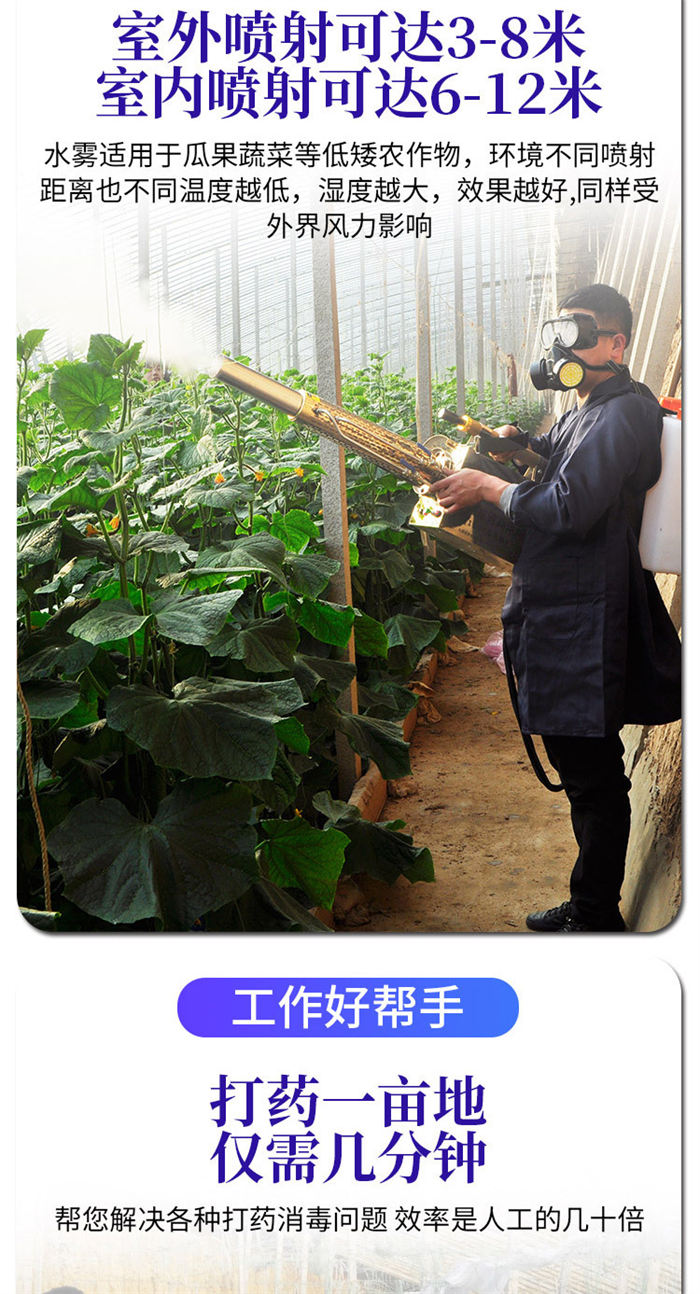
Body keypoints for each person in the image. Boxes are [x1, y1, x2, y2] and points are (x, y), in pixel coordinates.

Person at [427, 284, 681, 933]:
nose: (564, 347)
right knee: (576, 761)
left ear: (617, 344)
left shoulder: (625, 411)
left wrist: (488, 486)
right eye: (560, 332)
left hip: (586, 616)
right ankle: (589, 899)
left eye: (580, 333)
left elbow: (569, 504)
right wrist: (519, 448)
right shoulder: (587, 407)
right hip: (563, 606)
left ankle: (597, 915)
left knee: (593, 773)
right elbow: (562, 458)